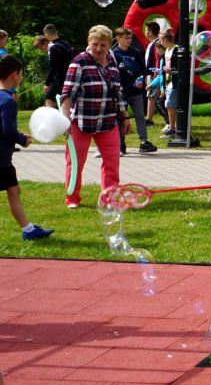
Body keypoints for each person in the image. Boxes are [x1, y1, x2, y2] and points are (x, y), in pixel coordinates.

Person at [61, 25, 130, 209]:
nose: (98, 48)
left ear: (109, 45)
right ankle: (72, 198)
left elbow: (118, 92)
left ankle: (109, 198)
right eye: (95, 44)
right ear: (88, 42)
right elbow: (67, 94)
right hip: (81, 122)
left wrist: (125, 117)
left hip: (108, 121)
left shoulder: (112, 61)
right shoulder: (79, 62)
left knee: (112, 162)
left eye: (103, 45)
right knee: (75, 162)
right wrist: (65, 121)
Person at [0, 56, 53, 239]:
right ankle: (28, 230)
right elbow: (7, 130)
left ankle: (28, 230)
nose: (21, 78)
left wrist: (19, 134)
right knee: (13, 190)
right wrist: (23, 140)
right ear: (14, 75)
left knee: (13, 190)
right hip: (1, 159)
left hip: (4, 160)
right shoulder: (8, 101)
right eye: (21, 74)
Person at [112, 28, 157, 154]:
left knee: (140, 116)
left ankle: (144, 142)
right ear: (118, 38)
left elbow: (143, 70)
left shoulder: (136, 52)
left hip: (136, 91)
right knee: (122, 118)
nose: (129, 40)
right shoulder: (113, 54)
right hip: (121, 92)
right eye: (126, 38)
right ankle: (121, 144)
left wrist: (141, 80)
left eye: (130, 38)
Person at [40, 24, 74, 109]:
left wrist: (47, 83)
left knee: (49, 98)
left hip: (59, 79)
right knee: (62, 99)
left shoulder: (54, 48)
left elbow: (53, 67)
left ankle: (53, 116)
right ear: (56, 32)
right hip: (70, 76)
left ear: (46, 35)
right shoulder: (66, 44)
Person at [159, 30, 181, 138]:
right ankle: (173, 127)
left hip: (175, 82)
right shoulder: (166, 51)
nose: (160, 43)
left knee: (170, 105)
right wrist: (163, 85)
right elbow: (164, 70)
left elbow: (181, 67)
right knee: (169, 105)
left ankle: (173, 129)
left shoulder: (176, 49)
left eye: (161, 40)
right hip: (168, 82)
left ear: (165, 40)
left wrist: (171, 69)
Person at [141, 21, 161, 125]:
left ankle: (149, 119)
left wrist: (155, 74)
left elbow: (157, 60)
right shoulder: (152, 43)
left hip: (154, 73)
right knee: (151, 95)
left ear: (150, 32)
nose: (145, 32)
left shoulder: (157, 44)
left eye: (146, 30)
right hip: (150, 73)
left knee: (151, 95)